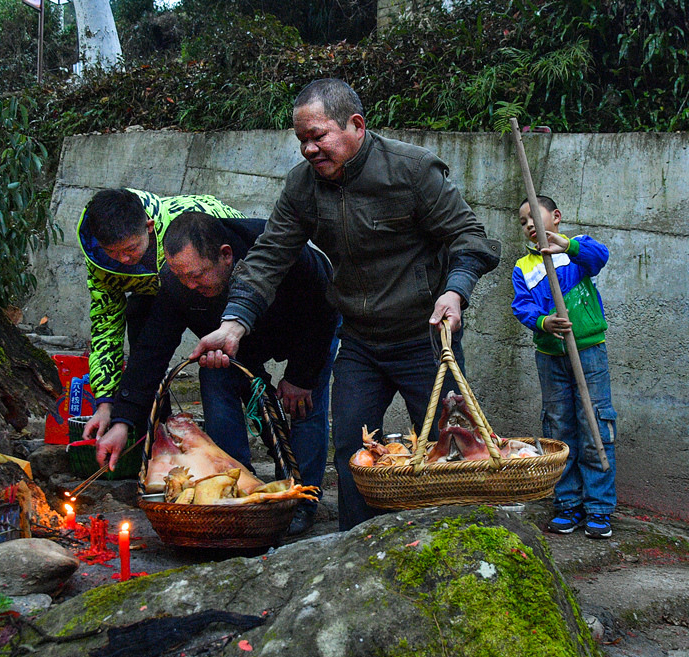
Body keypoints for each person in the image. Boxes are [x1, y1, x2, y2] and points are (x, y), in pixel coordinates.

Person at [189, 78, 501, 531]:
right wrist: (234, 324)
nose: (309, 150)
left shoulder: (411, 170)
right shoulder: (302, 187)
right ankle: (355, 555)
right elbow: (268, 257)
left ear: (355, 125)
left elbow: (470, 237)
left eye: (318, 137)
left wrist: (455, 290)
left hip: (426, 339)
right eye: (302, 141)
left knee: (448, 450)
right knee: (354, 455)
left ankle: (451, 550)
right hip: (359, 342)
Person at [96, 211, 339, 536]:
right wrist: (123, 420)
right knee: (214, 378)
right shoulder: (178, 283)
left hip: (308, 323)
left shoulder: (278, 249)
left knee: (304, 403)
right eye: (181, 277)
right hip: (233, 336)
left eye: (197, 276)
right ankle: (236, 486)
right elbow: (151, 351)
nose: (190, 286)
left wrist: (301, 376)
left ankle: (303, 500)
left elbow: (323, 307)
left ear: (226, 255)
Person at [76, 188, 245, 445]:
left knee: (222, 367)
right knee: (142, 334)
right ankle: (158, 435)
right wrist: (106, 402)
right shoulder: (99, 260)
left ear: (149, 226)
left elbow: (243, 266)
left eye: (131, 248)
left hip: (216, 285)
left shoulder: (195, 223)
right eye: (113, 252)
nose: (124, 259)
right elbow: (105, 324)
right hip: (156, 297)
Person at [511, 195, 617, 539]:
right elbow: (522, 306)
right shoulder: (523, 267)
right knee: (559, 426)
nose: (529, 225)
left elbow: (599, 257)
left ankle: (599, 507)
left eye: (534, 218)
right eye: (523, 221)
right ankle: (567, 502)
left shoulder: (577, 252)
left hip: (588, 352)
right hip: (550, 356)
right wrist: (543, 322)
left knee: (595, 422)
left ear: (555, 217)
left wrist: (567, 246)